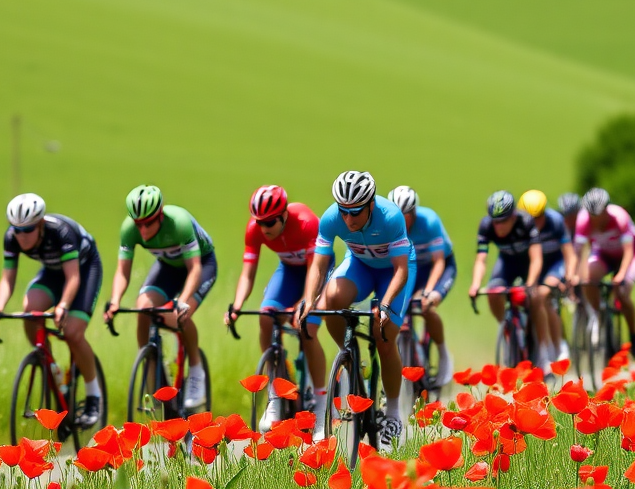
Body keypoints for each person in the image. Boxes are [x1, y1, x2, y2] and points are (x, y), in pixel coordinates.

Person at [295, 171, 415, 450]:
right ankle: (351, 359)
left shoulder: (391, 217)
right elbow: (319, 264)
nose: (348, 219)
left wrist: (385, 304)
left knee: (384, 334)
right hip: (360, 265)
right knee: (331, 300)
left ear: (371, 204)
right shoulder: (331, 218)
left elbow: (400, 270)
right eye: (344, 212)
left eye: (356, 212)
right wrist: (309, 298)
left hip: (392, 271)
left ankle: (394, 412)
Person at [0, 193, 104, 427]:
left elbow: (72, 278)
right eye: (17, 230)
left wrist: (63, 306)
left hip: (83, 268)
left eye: (27, 230)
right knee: (30, 310)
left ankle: (93, 396)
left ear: (40, 224)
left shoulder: (61, 232)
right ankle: (50, 365)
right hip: (52, 272)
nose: (21, 236)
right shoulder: (11, 237)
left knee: (72, 332)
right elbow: (7, 278)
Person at [225, 185, 330, 432]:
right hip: (289, 270)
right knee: (265, 316)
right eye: (259, 222)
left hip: (317, 269)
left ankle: (321, 400)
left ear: (284, 215)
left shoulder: (306, 223)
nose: (264, 228)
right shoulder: (255, 230)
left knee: (306, 327)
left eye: (270, 222)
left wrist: (305, 302)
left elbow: (315, 270)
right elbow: (247, 274)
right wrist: (237, 305)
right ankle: (277, 389)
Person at [104, 185, 217, 409]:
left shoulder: (179, 223)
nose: (143, 230)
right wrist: (115, 299)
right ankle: (150, 366)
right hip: (168, 267)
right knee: (143, 307)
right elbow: (122, 271)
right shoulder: (129, 229)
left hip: (201, 265)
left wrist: (183, 300)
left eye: (148, 223)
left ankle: (195, 370)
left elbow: (194, 268)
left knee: (179, 316)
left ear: (160, 214)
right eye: (138, 224)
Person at [467, 190, 555, 374]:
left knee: (536, 298)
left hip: (528, 264)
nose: (498, 226)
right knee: (492, 292)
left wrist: (531, 284)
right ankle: (507, 329)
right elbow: (481, 260)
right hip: (506, 263)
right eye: (495, 221)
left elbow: (537, 258)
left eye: (503, 221)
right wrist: (475, 284)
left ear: (513, 216)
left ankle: (545, 355)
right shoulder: (486, 225)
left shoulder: (526, 221)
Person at [387, 185, 456, 387]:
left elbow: (439, 262)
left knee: (426, 304)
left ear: (413, 212)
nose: (400, 221)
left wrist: (428, 291)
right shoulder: (390, 226)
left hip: (436, 268)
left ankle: (443, 354)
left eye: (404, 216)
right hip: (409, 269)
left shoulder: (429, 221)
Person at [573, 187, 635, 358]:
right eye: (592, 216)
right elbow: (578, 253)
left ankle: (633, 335)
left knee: (622, 294)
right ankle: (598, 316)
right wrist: (575, 275)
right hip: (603, 254)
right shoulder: (583, 220)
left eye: (598, 216)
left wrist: (620, 276)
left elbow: (628, 251)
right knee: (588, 279)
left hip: (627, 256)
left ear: (606, 210)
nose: (595, 221)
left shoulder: (619, 217)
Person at [518, 189, 576, 363]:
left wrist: (569, 276)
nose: (534, 222)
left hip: (554, 265)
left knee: (543, 295)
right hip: (532, 266)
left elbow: (569, 254)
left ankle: (556, 346)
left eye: (538, 217)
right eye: (530, 218)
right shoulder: (519, 225)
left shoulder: (556, 222)